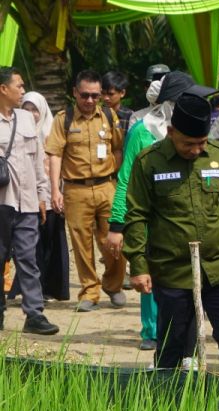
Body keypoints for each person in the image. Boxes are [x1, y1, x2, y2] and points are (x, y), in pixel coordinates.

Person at [122, 93, 219, 384]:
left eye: (201, 143)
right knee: (172, 343)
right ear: (171, 133)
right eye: (188, 144)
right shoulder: (150, 162)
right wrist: (139, 264)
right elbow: (136, 215)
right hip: (173, 270)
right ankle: (166, 407)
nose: (196, 150)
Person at [107, 71, 216, 351]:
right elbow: (126, 178)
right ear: (171, 103)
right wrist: (117, 225)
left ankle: (188, 332)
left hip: (185, 217)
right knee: (150, 275)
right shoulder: (142, 131)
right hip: (149, 217)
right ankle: (153, 331)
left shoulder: (197, 133)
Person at [46, 69, 126, 311]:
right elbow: (55, 154)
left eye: (95, 95)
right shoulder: (64, 119)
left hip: (106, 187)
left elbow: (117, 149)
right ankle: (89, 291)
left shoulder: (109, 116)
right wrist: (55, 190)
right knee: (81, 243)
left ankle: (113, 285)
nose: (90, 101)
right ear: (74, 93)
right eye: (85, 95)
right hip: (75, 190)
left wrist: (118, 181)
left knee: (114, 241)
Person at [0, 69, 56, 335]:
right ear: (3, 89)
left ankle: (34, 315)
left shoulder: (25, 119)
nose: (23, 91)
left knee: (28, 258)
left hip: (28, 203)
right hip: (2, 202)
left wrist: (42, 196)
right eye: (19, 86)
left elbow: (37, 161)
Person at [20, 91, 69, 302]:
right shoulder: (18, 131)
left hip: (51, 196)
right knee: (31, 245)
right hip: (26, 197)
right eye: (26, 109)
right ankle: (31, 288)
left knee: (52, 242)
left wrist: (59, 193)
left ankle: (52, 288)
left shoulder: (52, 132)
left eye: (34, 109)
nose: (31, 114)